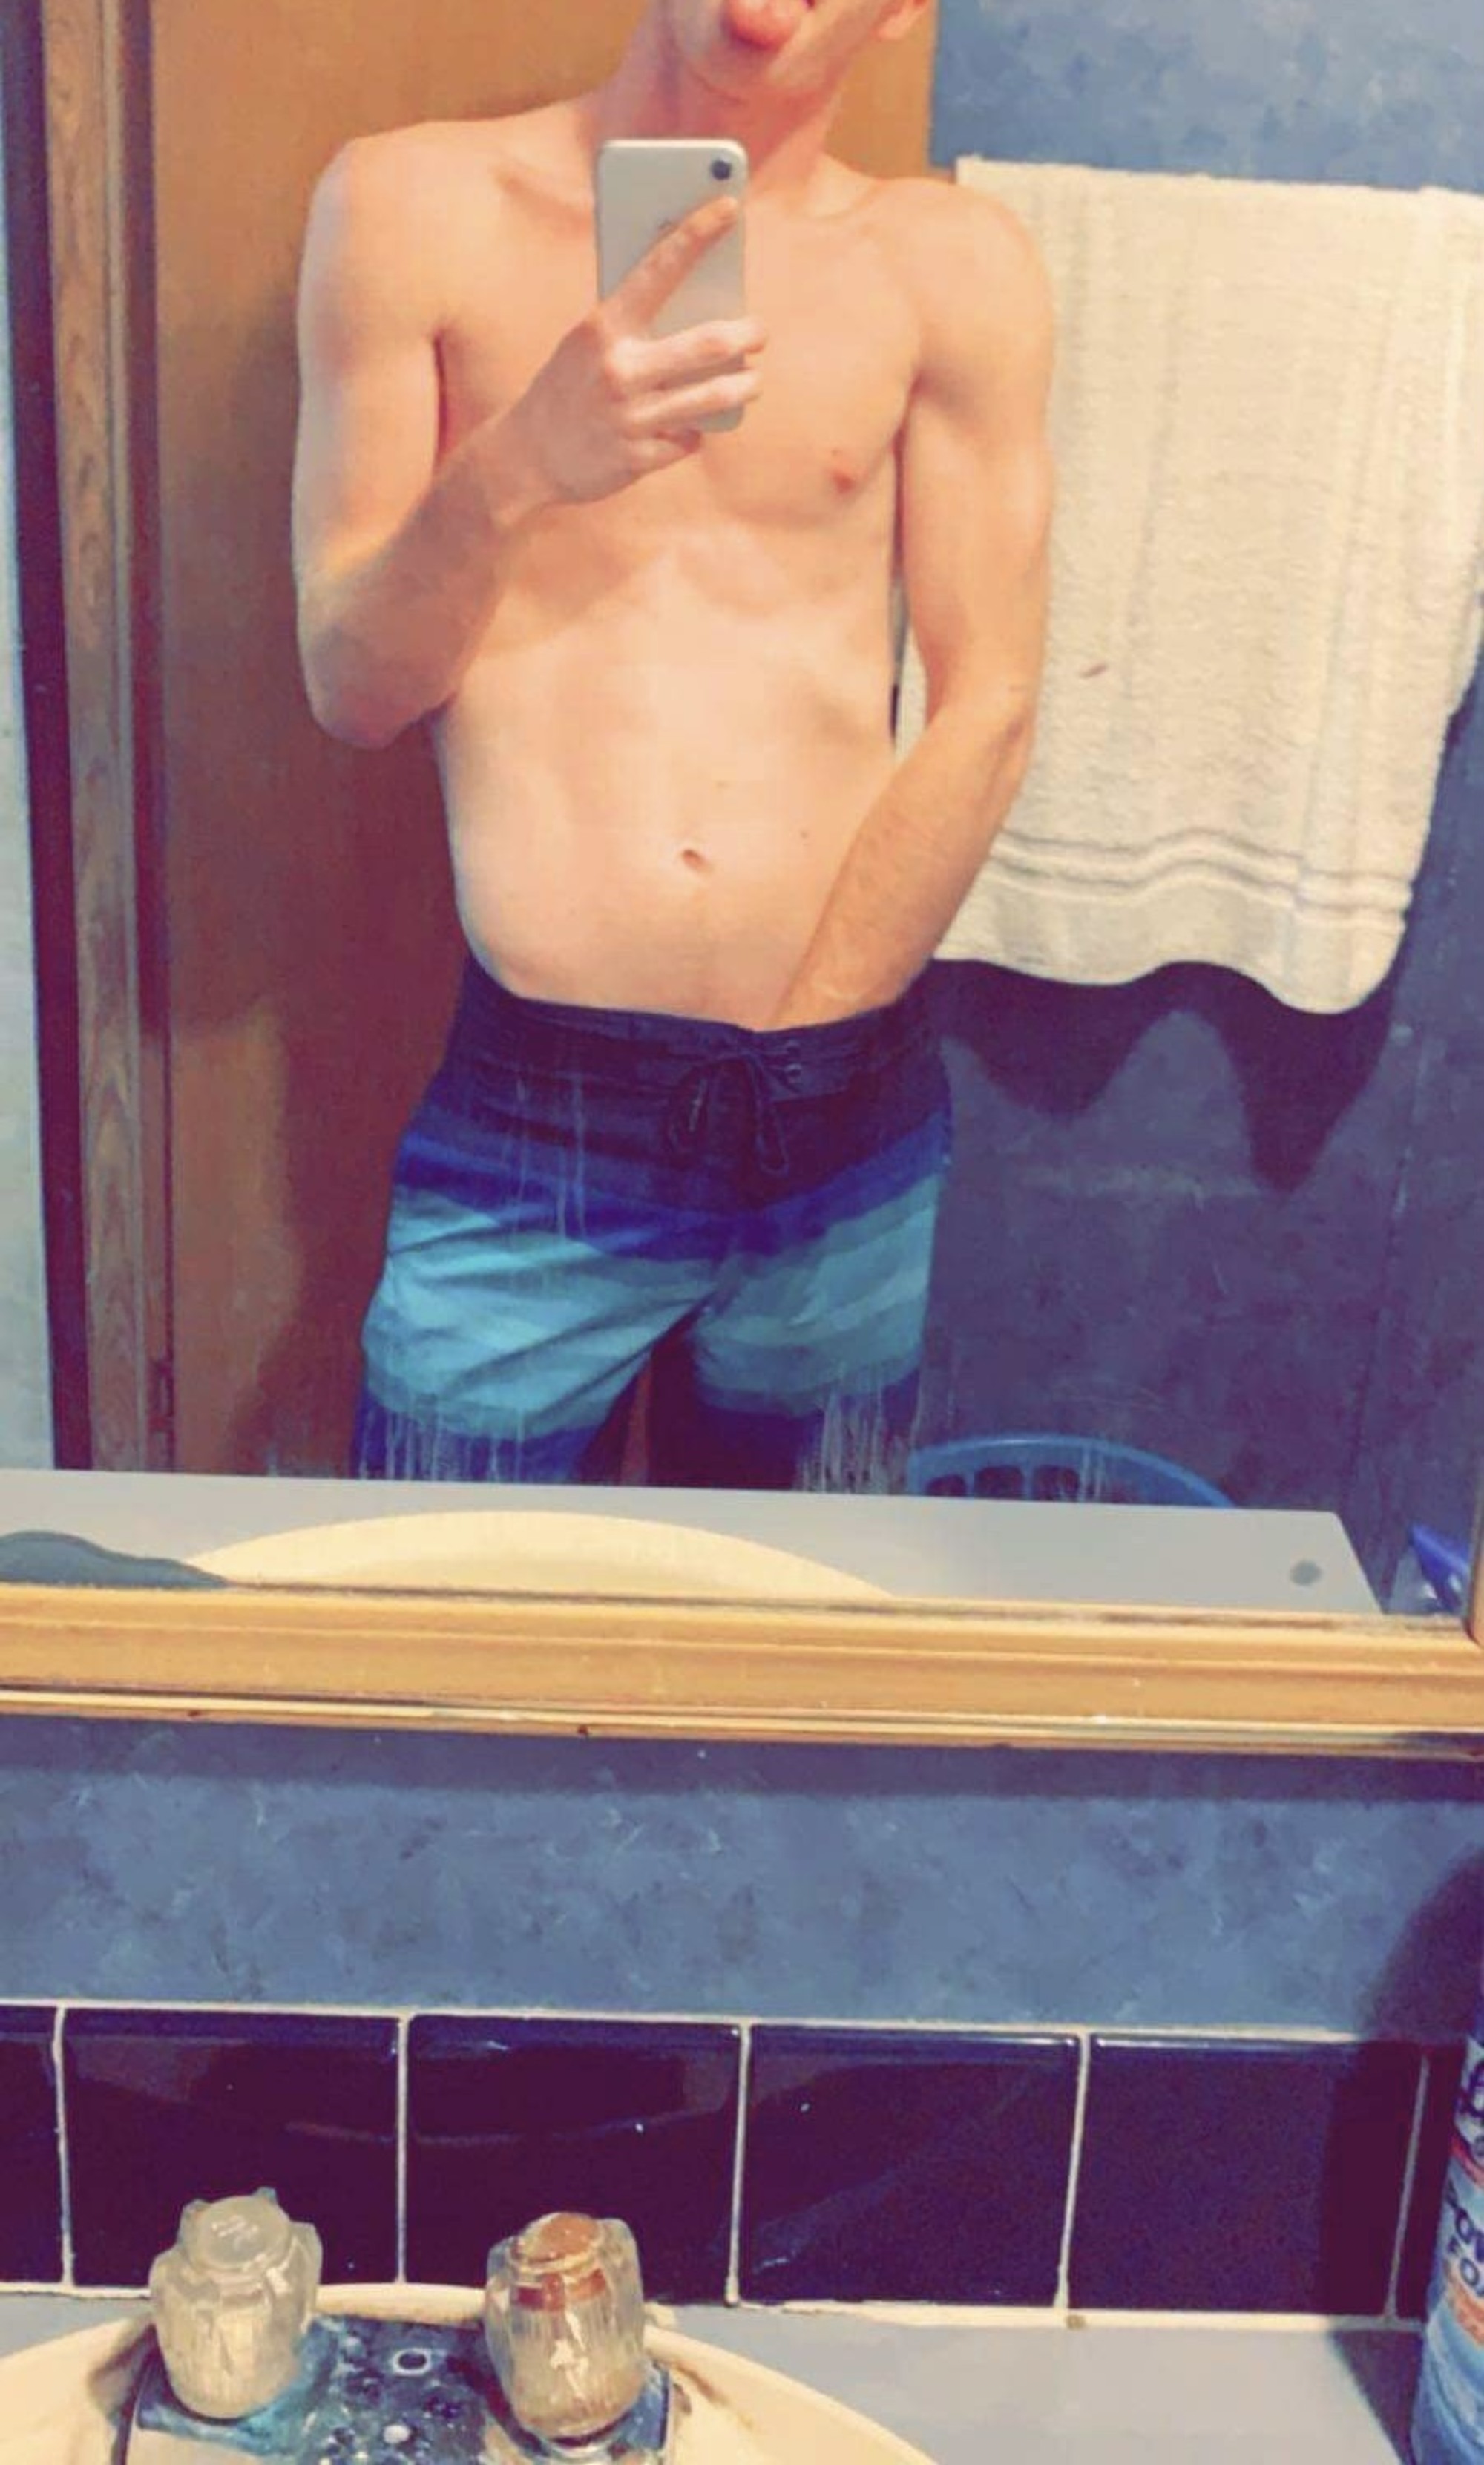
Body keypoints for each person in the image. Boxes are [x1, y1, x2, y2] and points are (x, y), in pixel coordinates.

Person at [292, 0, 1053, 1491]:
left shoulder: (951, 266)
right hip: (539, 1113)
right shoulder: (410, 208)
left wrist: (802, 1055)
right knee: (441, 1596)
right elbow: (353, 688)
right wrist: (516, 466)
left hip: (848, 1103)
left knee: (793, 1602)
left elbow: (991, 703)